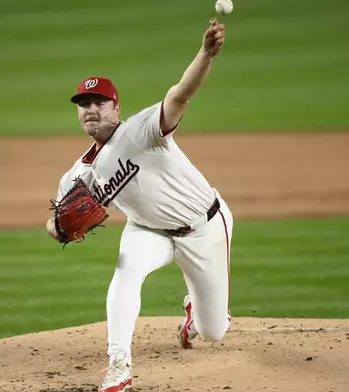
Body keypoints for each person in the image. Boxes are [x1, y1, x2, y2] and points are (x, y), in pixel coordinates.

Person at [46, 18, 231, 392]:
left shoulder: (142, 129)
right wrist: (59, 228)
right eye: (83, 104)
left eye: (98, 102)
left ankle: (196, 310)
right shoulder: (77, 176)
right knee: (125, 273)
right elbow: (53, 224)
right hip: (147, 230)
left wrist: (206, 54)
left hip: (204, 226)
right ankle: (119, 366)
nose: (90, 109)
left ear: (116, 108)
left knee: (214, 332)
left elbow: (180, 94)